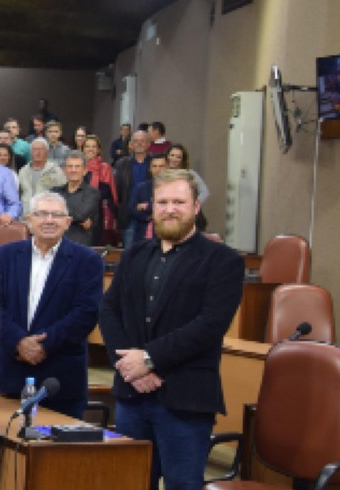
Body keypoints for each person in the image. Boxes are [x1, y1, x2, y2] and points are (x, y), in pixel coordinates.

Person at [100, 169, 243, 490]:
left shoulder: (223, 261)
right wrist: (131, 367)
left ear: (196, 207)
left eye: (179, 201)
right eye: (162, 202)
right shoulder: (135, 253)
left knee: (182, 485)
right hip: (131, 394)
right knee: (129, 483)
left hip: (185, 399)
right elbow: (109, 310)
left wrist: (149, 359)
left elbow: (209, 326)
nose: (170, 208)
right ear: (152, 207)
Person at [0, 192, 102, 418]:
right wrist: (18, 342)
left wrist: (45, 344)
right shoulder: (5, 255)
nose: (49, 220)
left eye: (56, 215)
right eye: (42, 214)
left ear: (68, 222)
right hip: (13, 373)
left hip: (61, 381)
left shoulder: (88, 260)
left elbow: (86, 313)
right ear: (29, 220)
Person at [53, 151, 101, 246]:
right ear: (64, 170)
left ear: (85, 170)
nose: (73, 170)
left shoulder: (92, 193)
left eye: (77, 166)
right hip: (55, 243)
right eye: (70, 166)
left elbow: (81, 215)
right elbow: (48, 212)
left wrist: (57, 213)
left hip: (79, 245)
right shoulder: (55, 192)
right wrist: (76, 220)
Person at [114, 131, 152, 248]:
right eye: (136, 141)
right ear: (131, 144)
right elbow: (117, 191)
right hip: (128, 216)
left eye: (142, 141)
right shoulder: (121, 164)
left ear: (148, 144)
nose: (139, 144)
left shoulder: (155, 163)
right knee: (129, 252)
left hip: (150, 216)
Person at [127, 153, 170, 245]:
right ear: (150, 169)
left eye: (161, 166)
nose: (158, 170)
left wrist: (147, 206)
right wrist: (147, 217)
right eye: (154, 166)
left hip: (165, 236)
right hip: (141, 236)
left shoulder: (173, 189)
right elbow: (131, 209)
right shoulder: (141, 188)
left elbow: (167, 208)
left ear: (167, 168)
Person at [84, 135, 118, 246]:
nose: (90, 149)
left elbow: (108, 192)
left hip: (99, 215)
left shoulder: (105, 168)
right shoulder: (77, 167)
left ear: (99, 149)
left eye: (94, 146)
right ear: (82, 148)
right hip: (80, 213)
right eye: (87, 146)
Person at [19, 138, 67, 215]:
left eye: (41, 149)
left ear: (47, 152)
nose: (38, 152)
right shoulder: (23, 171)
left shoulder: (55, 171)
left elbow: (63, 193)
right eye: (35, 149)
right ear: (31, 152)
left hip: (46, 216)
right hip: (26, 216)